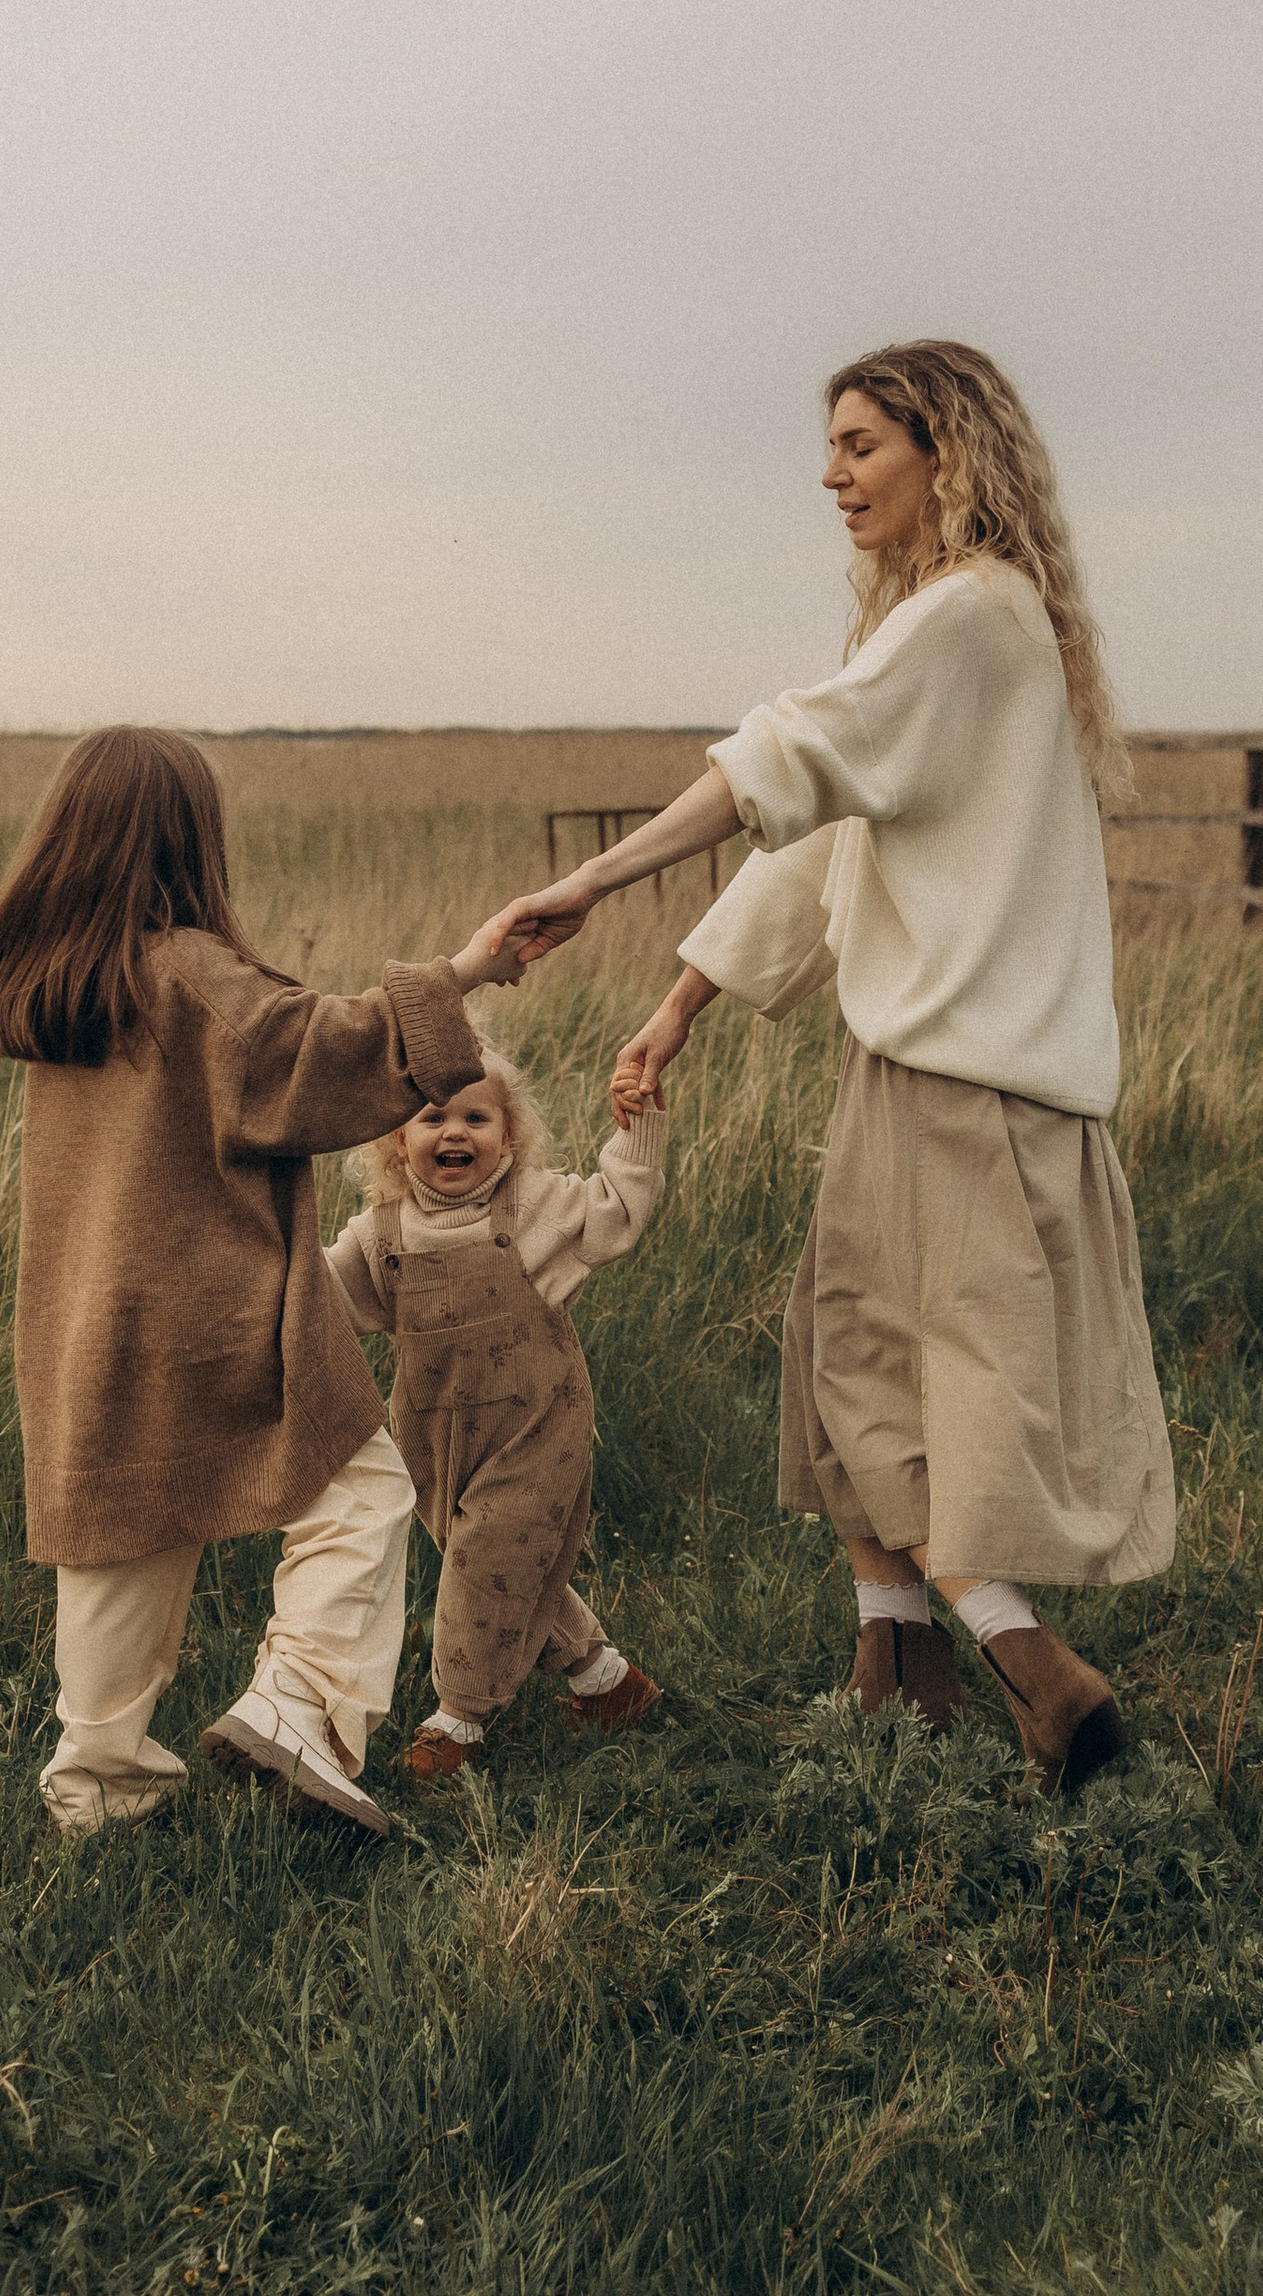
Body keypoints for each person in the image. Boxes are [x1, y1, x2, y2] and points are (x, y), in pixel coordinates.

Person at [502, 340, 1172, 1795]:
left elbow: (784, 763)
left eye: (863, 444)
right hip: (940, 1085)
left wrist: (599, 879)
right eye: (835, 446)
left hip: (961, 1097)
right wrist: (680, 1005)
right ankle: (897, 1667)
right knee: (848, 1368)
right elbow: (828, 846)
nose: (833, 475)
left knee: (886, 1394)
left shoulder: (970, 618)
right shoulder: (967, 630)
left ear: (953, 453)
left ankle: (1035, 1675)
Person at [0, 726, 522, 1840]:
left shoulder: (59, 988)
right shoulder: (194, 977)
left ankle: (98, 1789)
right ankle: (297, 1709)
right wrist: (459, 972)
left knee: (119, 1547)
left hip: (88, 1329)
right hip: (210, 1318)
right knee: (362, 1493)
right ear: (186, 839)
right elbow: (328, 1054)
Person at [325, 1044, 665, 1782]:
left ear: (508, 1138)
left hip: (538, 1427)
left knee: (482, 1568)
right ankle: (606, 1681)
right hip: (436, 1437)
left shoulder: (534, 1208)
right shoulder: (380, 1237)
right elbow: (321, 1303)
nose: (455, 1132)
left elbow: (616, 1209)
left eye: (477, 1118)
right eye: (432, 1116)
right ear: (396, 1138)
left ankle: (460, 1720)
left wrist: (638, 1126)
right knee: (508, 1566)